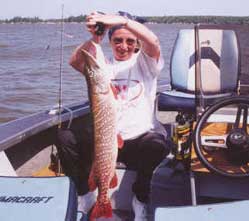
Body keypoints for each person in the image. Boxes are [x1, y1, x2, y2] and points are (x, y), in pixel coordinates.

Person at [56, 11, 171, 221]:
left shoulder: (145, 63)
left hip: (138, 140)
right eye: (118, 40)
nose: (124, 46)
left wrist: (123, 21)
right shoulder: (103, 67)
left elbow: (152, 41)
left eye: (129, 41)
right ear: (110, 41)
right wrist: (94, 39)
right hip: (106, 142)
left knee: (157, 145)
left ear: (137, 43)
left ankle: (140, 199)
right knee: (65, 138)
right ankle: (87, 196)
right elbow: (75, 61)